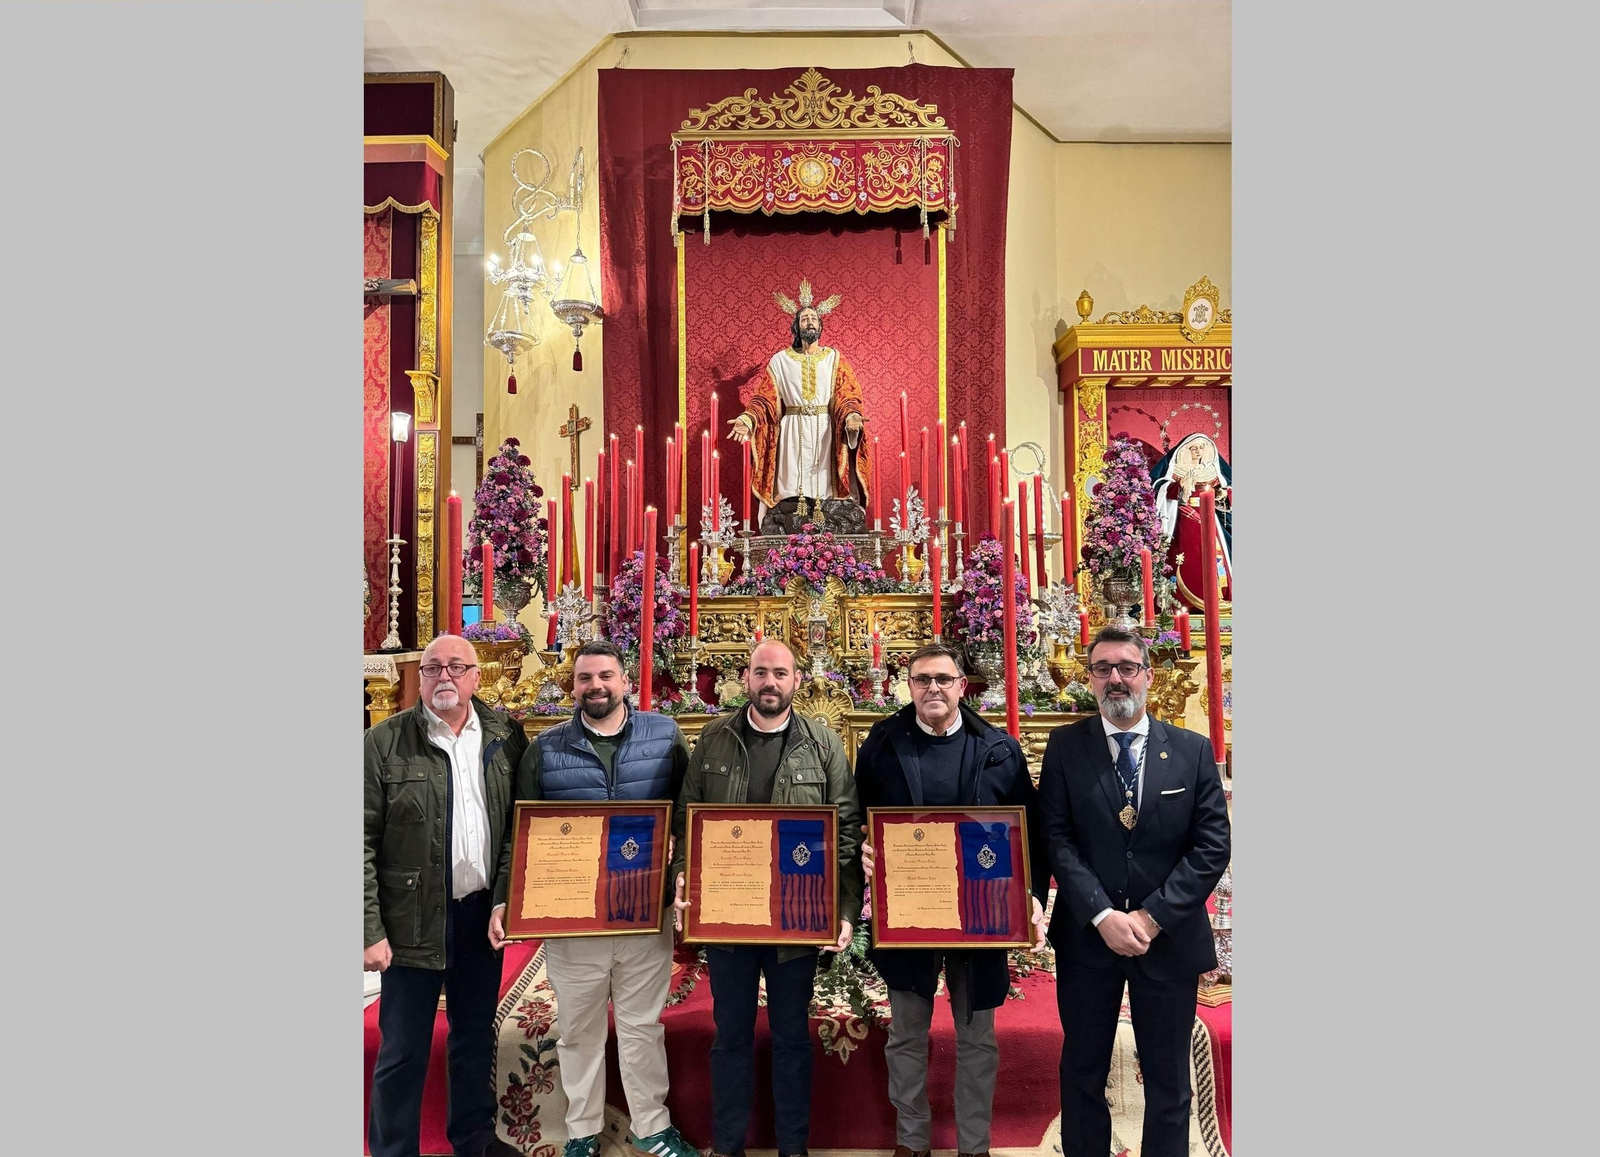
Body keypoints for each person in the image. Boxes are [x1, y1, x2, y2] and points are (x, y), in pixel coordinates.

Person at [489, 640, 698, 1157]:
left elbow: (689, 816)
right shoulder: (546, 748)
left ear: (626, 682)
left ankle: (652, 1126)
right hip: (573, 917)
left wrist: (678, 875)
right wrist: (504, 900)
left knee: (641, 1027)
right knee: (578, 1030)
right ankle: (582, 1131)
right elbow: (520, 831)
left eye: (606, 676)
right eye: (585, 678)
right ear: (573, 686)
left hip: (645, 914)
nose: (596, 686)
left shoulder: (666, 736)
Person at [1037, 626, 1231, 1157]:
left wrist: (1149, 918)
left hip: (1166, 941)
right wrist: (1102, 914)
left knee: (1169, 1080)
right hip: (1088, 939)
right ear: (1091, 679)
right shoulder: (1065, 746)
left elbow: (1212, 847)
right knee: (1082, 1071)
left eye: (1126, 667)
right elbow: (1057, 838)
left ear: (1147, 675)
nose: (1115, 678)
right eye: (1103, 669)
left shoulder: (1191, 750)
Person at [853, 643, 1050, 1157]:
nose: (933, 688)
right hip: (910, 915)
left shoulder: (998, 749)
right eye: (922, 679)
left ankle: (974, 1147)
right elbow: (856, 820)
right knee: (906, 1035)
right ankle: (912, 1142)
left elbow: (1031, 834)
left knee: (978, 1040)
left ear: (963, 686)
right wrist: (864, 853)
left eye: (943, 678)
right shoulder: (882, 745)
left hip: (982, 917)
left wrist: (1029, 895)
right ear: (909, 686)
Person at [670, 638, 864, 1157]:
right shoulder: (712, 739)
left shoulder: (823, 745)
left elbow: (845, 833)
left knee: (792, 1039)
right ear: (746, 678)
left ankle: (792, 1148)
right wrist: (686, 883)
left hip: (796, 921)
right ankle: (729, 1145)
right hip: (729, 920)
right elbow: (687, 825)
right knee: (729, 1037)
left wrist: (844, 910)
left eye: (780, 673)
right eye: (761, 673)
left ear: (797, 679)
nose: (770, 683)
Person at [364, 634, 528, 1157]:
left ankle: (474, 1140)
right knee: (404, 1050)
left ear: (478, 676)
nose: (445, 677)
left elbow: (514, 832)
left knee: (474, 1037)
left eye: (457, 667)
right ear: (420, 677)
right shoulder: (384, 742)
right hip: (412, 916)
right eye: (433, 667)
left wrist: (503, 898)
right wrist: (369, 930)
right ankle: (394, 1151)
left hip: (479, 914)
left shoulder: (506, 735)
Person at [728, 280, 872, 526]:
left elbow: (847, 395)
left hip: (825, 430)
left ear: (821, 325)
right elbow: (765, 399)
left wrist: (851, 417)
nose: (810, 322)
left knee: (824, 487)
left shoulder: (835, 358)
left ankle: (826, 521)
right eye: (804, 319)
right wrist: (747, 418)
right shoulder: (780, 361)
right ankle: (788, 518)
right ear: (796, 326)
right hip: (792, 431)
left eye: (814, 319)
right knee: (792, 488)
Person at [1149, 432, 1231, 610]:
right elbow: (1157, 488)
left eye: (1201, 447)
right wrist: (1180, 487)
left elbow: (1227, 491)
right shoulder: (1177, 470)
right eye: (1193, 448)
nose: (1198, 451)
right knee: (1186, 556)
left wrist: (1223, 494)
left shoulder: (1212, 471)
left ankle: (1217, 598)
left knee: (1215, 555)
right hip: (1184, 520)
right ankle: (1181, 603)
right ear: (1185, 450)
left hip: (1209, 517)